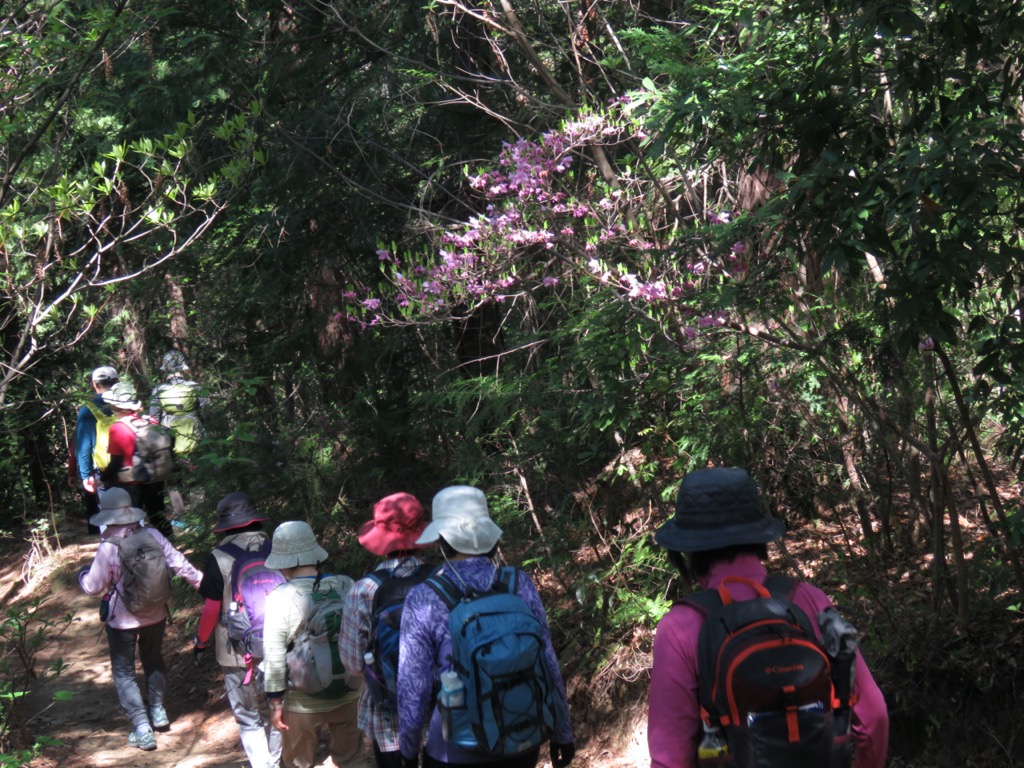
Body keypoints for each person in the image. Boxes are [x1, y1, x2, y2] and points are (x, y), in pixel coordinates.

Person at [648, 467, 890, 768]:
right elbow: (874, 717)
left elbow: (670, 759)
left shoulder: (679, 628)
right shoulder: (809, 600)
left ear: (689, 551)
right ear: (759, 537)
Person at [397, 485, 575, 768]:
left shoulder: (424, 597)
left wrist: (406, 753)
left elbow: (413, 687)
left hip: (455, 749)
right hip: (522, 738)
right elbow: (548, 660)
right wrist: (562, 731)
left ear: (442, 539)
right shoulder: (518, 583)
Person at [77, 487, 202, 751]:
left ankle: (142, 728)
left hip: (122, 620)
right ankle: (158, 711)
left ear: (108, 516)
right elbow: (180, 564)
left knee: (124, 672)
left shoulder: (109, 547)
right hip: (156, 613)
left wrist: (82, 576)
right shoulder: (154, 535)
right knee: (154, 659)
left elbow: (93, 586)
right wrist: (204, 586)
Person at [262, 521, 367, 768]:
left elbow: (274, 655)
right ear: (314, 553)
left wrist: (276, 703)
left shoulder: (280, 597)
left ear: (282, 563)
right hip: (349, 691)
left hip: (302, 701)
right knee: (352, 758)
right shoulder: (346, 584)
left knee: (299, 763)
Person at [339, 493, 432, 768]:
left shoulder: (362, 591)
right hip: (441, 708)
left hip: (389, 715)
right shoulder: (443, 580)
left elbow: (354, 664)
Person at [193, 492, 283, 768]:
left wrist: (201, 642)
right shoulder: (273, 548)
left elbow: (211, 608)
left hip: (235, 647)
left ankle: (262, 764)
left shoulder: (219, 557)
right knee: (277, 709)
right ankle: (277, 762)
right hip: (278, 641)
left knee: (248, 714)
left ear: (225, 525)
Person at [98, 380, 172, 538]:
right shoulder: (150, 421)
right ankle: (170, 547)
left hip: (131, 483)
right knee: (157, 515)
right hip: (155, 478)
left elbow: (116, 462)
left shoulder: (118, 428)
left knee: (130, 521)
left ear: (116, 406)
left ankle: (136, 552)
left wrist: (103, 478)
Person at [75, 366, 119, 534]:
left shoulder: (88, 409)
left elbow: (84, 445)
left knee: (107, 514)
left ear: (95, 384)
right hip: (130, 465)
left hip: (103, 469)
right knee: (133, 508)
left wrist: (86, 475)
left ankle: (111, 553)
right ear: (117, 382)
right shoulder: (128, 403)